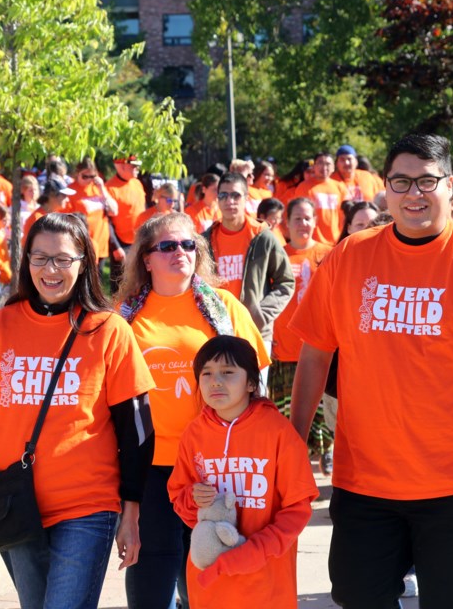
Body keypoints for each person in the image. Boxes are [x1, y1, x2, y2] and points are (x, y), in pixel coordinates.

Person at [290, 133, 453, 608]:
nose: (414, 194)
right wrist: (292, 446)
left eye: (427, 182)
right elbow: (315, 354)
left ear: (450, 186)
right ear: (384, 189)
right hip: (364, 480)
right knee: (357, 597)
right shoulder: (348, 257)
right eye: (401, 182)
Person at [0, 213, 156, 609]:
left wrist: (132, 511)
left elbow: (138, 433)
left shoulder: (109, 331)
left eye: (63, 259)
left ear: (85, 263)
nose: (50, 269)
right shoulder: (4, 325)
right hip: (16, 505)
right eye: (39, 258)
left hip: (87, 508)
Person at [115, 212, 269, 609]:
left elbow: (257, 382)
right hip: (151, 465)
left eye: (187, 244)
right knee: (152, 578)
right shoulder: (123, 318)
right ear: (146, 259)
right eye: (166, 246)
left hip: (215, 464)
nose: (179, 252)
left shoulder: (225, 307)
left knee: (210, 575)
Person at [166, 335, 319, 609]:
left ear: (251, 382)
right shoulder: (193, 434)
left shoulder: (278, 432)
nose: (216, 381)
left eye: (228, 372)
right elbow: (180, 499)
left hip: (266, 581)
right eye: (207, 373)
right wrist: (192, 497)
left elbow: (298, 508)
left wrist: (254, 551)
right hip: (211, 583)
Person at [203, 172, 294, 374]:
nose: (229, 201)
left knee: (255, 398)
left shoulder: (262, 237)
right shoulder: (205, 239)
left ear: (246, 198)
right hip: (215, 331)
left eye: (236, 195)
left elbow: (286, 283)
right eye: (224, 196)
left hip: (255, 331)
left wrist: (260, 315)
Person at [270, 197, 333, 472]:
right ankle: (296, 465)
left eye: (308, 218)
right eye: (297, 218)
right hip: (284, 347)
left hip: (320, 349)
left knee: (323, 412)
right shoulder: (277, 254)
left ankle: (328, 453)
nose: (303, 224)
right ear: (287, 223)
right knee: (287, 414)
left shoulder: (329, 253)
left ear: (316, 222)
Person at [63, 157, 119, 264]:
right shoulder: (70, 190)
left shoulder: (98, 188)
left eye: (92, 176)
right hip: (81, 243)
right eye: (85, 176)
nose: (89, 180)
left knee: (98, 277)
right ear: (77, 173)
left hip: (100, 241)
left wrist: (102, 189)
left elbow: (114, 211)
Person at [107, 155, 147, 292]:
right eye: (134, 166)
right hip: (121, 243)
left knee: (139, 280)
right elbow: (107, 221)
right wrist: (115, 246)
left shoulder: (137, 183)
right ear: (123, 166)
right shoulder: (110, 188)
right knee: (119, 283)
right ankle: (116, 310)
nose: (137, 168)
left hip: (140, 240)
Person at [294, 152, 347, 244]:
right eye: (320, 163)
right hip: (311, 241)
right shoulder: (303, 187)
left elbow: (343, 215)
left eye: (328, 164)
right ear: (314, 166)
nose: (324, 167)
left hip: (335, 241)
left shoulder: (340, 187)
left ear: (333, 167)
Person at [22, 174, 75, 243]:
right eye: (64, 195)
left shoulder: (56, 215)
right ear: (52, 195)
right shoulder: (38, 218)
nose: (67, 200)